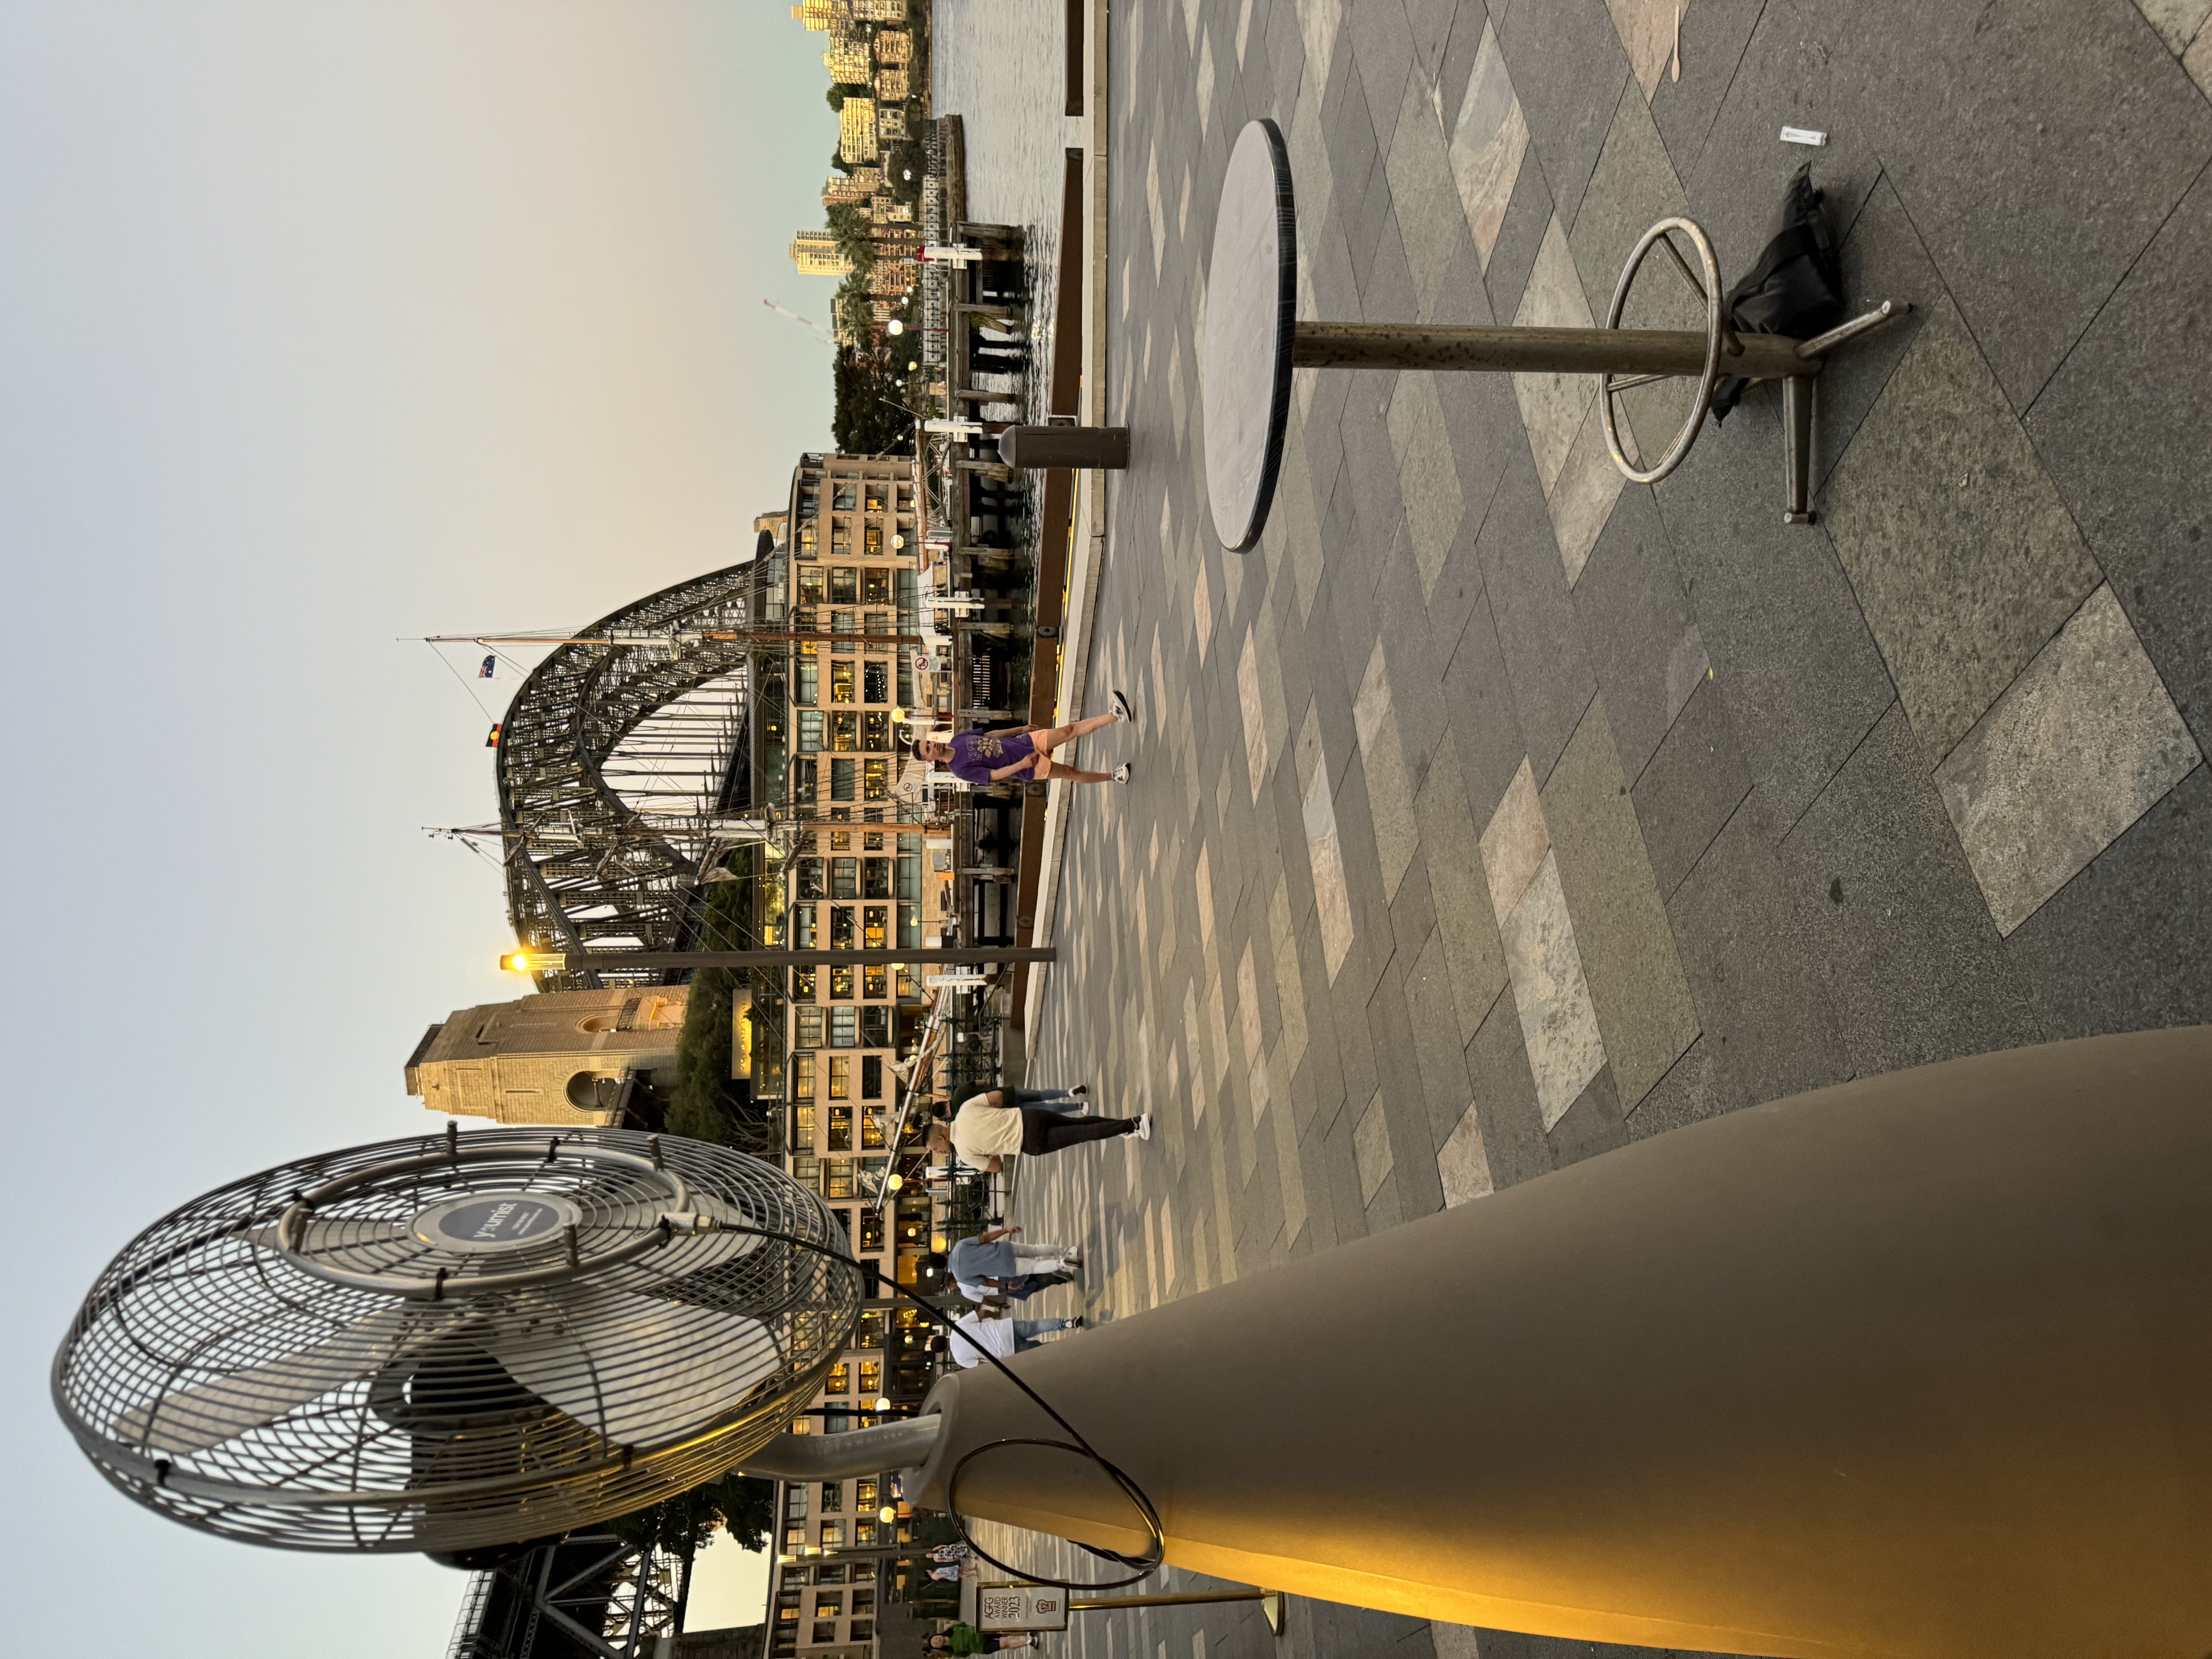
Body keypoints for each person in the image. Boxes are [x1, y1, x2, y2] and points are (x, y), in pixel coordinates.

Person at [915, 690, 1136, 788]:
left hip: (1025, 742)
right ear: (930, 759)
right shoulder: (960, 770)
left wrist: (1020, 728)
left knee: (1069, 730)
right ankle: (1113, 777)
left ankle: (1115, 715)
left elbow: (990, 737)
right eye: (929, 749)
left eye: (930, 742)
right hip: (1027, 766)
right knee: (1071, 773)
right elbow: (994, 776)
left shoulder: (958, 740)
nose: (933, 744)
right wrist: (1023, 764)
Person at [926, 1087, 1149, 1173]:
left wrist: (992, 1147)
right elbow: (998, 1097)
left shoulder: (965, 1154)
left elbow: (997, 1167)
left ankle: (1134, 1123)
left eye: (936, 1149)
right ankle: (1125, 1127)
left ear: (940, 1137)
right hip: (1029, 1117)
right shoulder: (965, 1109)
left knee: (1082, 1135)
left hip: (1030, 1142)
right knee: (1079, 1124)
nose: (940, 1153)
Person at [945, 1225, 1081, 1302]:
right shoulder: (960, 1246)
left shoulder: (961, 1277)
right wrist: (1005, 1230)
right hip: (1004, 1249)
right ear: (943, 1255)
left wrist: (1004, 1285)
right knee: (1035, 1249)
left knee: (1035, 1268)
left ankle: (1061, 1264)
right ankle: (1067, 1252)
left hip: (1006, 1268)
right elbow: (985, 1238)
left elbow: (985, 1282)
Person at [947, 1307, 1084, 1367]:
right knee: (1036, 1326)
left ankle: (1071, 1345)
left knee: (1040, 1349)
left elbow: (982, 1365)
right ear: (944, 1337)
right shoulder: (957, 1327)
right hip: (1005, 1328)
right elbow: (982, 1314)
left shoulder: (960, 1359)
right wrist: (994, 1315)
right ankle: (1067, 1323)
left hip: (1007, 1351)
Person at [929, 1625, 1036, 1654]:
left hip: (981, 1633)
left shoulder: (952, 1629)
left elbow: (965, 1625)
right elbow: (965, 1654)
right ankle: (1028, 1643)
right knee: (1004, 1645)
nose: (937, 1641)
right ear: (940, 1647)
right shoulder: (953, 1650)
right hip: (982, 1647)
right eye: (936, 1643)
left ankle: (1027, 1632)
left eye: (935, 1639)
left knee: (1004, 1633)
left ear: (938, 1635)